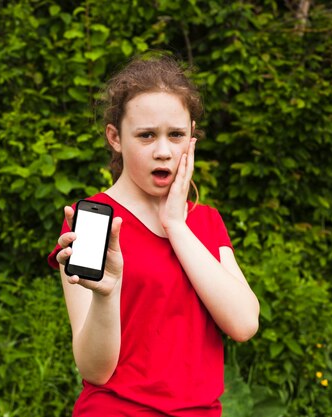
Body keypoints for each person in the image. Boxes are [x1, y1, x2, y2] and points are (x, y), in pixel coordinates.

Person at [47, 54, 260, 416]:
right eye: (146, 136)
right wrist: (106, 293)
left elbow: (243, 324)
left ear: (191, 137)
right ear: (115, 137)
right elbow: (95, 371)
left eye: (175, 135)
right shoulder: (93, 224)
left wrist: (176, 225)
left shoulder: (204, 222)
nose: (163, 151)